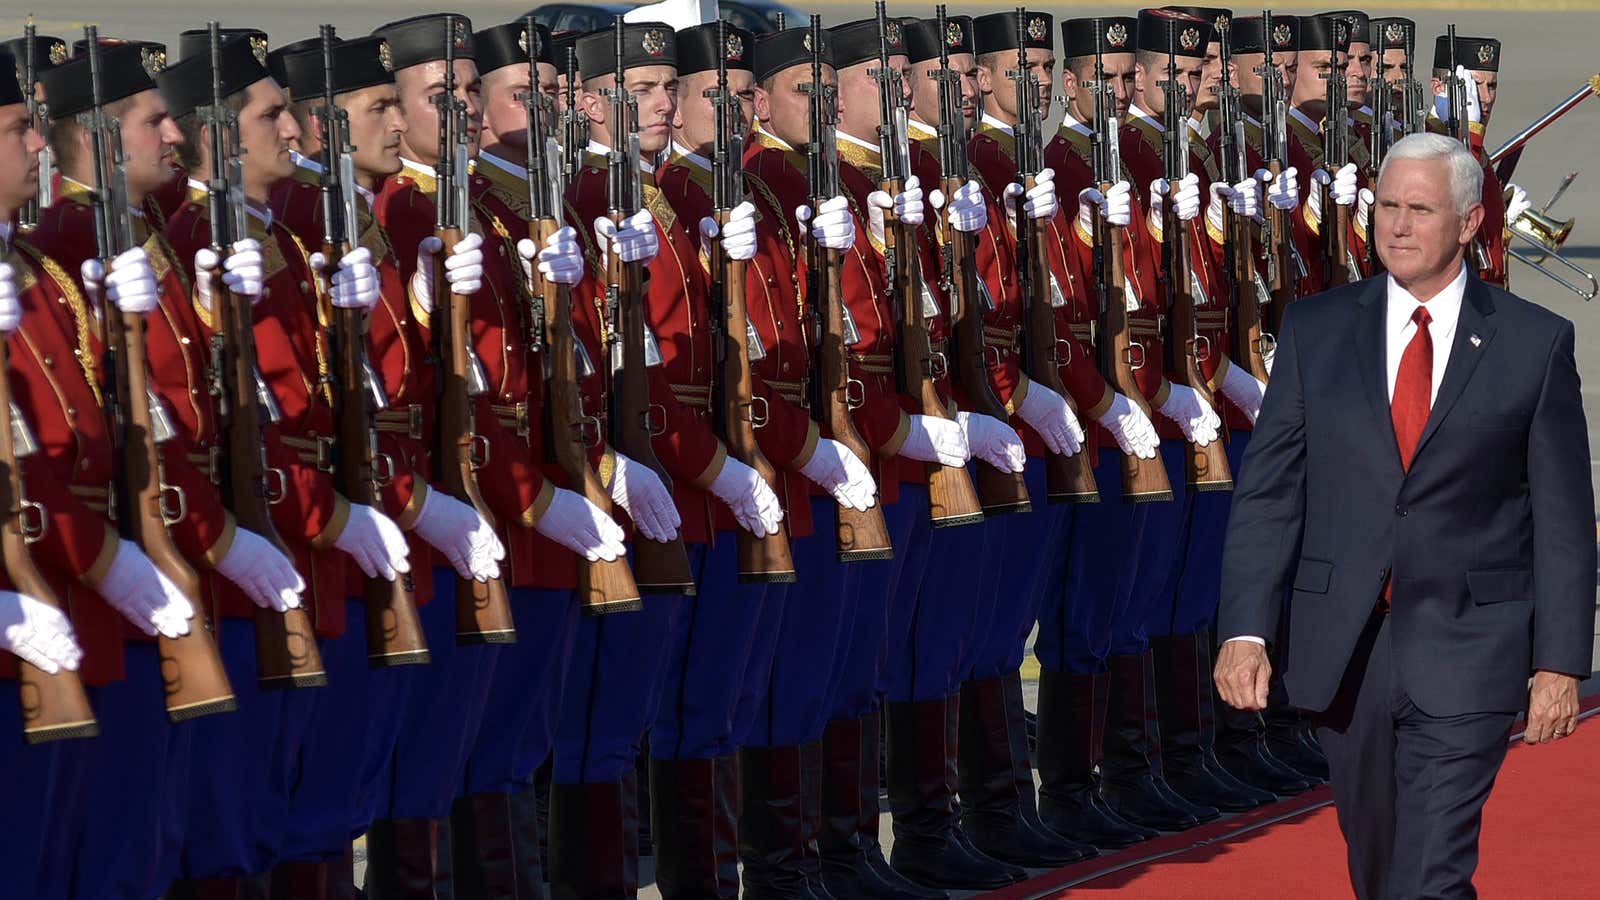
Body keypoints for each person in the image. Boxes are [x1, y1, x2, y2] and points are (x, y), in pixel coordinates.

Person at [1215, 131, 1595, 899]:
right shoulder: (1316, 330)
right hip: (1345, 652)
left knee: (1430, 876)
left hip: (1469, 646)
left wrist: (1559, 662)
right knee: (1381, 870)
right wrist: (1245, 630)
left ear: (1469, 224)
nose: (1396, 226)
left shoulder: (1533, 343)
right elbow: (1271, 496)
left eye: (1419, 210)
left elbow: (1562, 519)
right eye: (1387, 206)